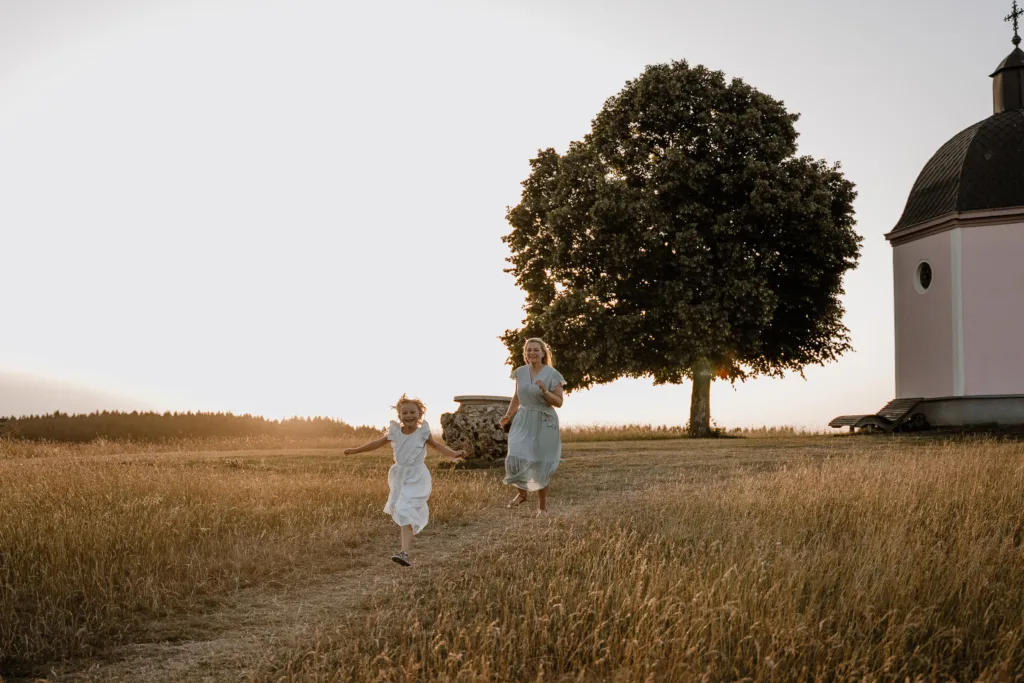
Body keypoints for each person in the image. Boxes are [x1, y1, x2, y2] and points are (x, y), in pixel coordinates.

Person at [344, 394, 464, 566]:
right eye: (404, 413)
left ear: (420, 414)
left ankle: (404, 552)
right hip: (400, 476)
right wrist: (356, 450)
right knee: (402, 509)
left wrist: (453, 454)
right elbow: (376, 443)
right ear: (399, 416)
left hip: (417, 476)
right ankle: (405, 550)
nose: (408, 415)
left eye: (412, 412)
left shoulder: (422, 432)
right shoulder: (395, 432)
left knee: (405, 508)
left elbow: (437, 446)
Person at [498, 338, 565, 516]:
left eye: (536, 350)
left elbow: (559, 402)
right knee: (514, 455)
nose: (532, 353)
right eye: (529, 350)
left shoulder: (552, 374)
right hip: (523, 418)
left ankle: (542, 508)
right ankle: (522, 493)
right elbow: (517, 396)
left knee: (540, 463)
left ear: (543, 353)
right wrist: (508, 415)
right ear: (525, 353)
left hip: (544, 421)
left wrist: (545, 391)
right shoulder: (520, 372)